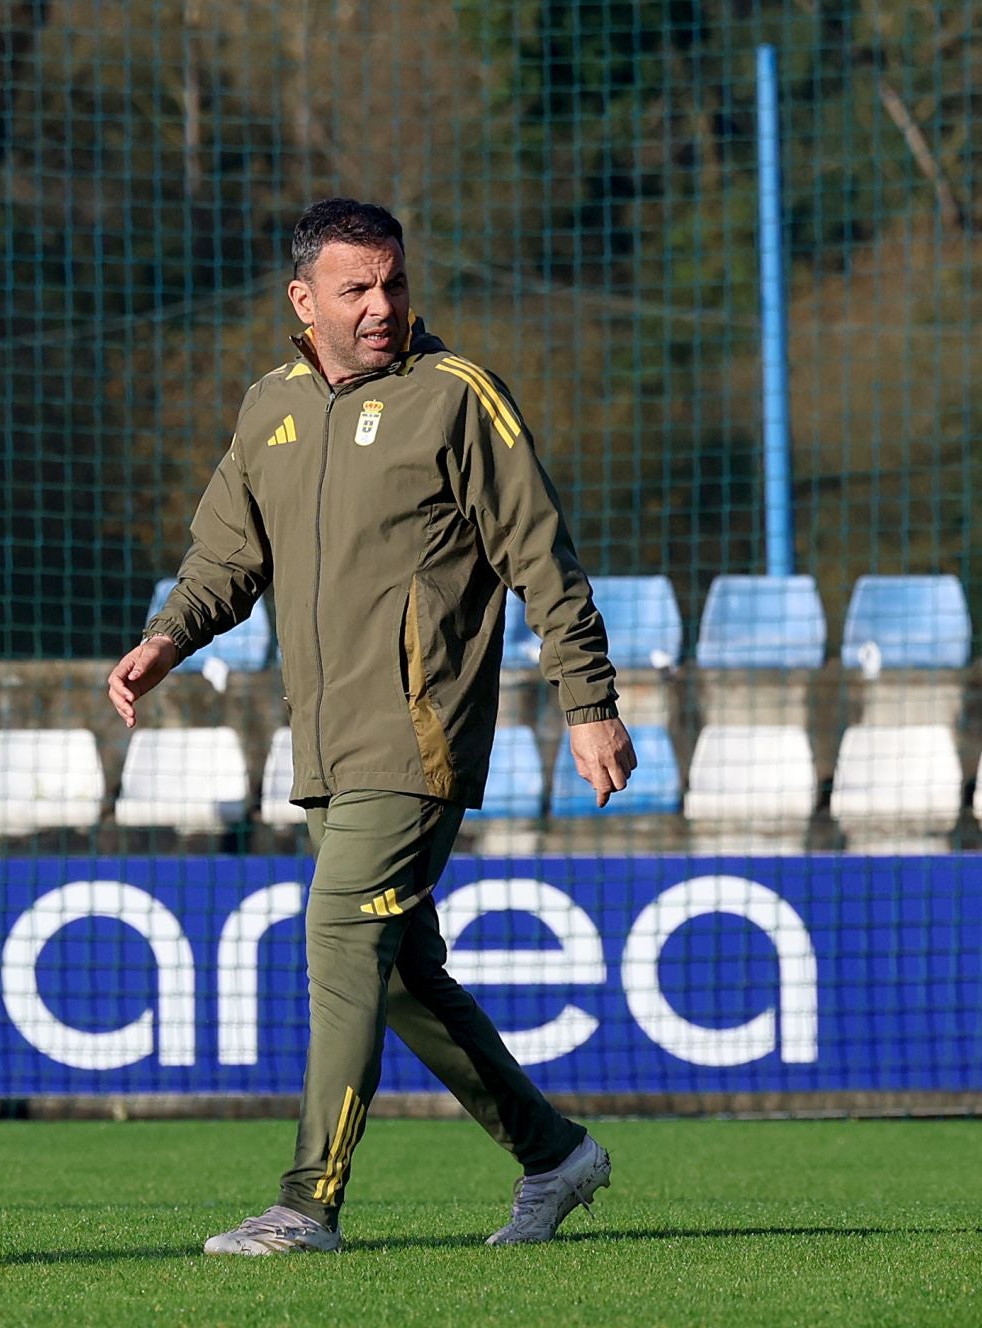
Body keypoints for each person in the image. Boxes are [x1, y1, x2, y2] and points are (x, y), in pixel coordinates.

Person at [106, 197, 637, 1255]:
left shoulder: (456, 396)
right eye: (357, 288)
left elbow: (542, 554)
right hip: (324, 744)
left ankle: (308, 1202)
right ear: (305, 299)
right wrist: (167, 637)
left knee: (340, 934)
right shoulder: (270, 407)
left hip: (419, 734)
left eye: (393, 282)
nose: (382, 304)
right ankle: (554, 1152)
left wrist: (589, 701)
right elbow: (226, 557)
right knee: (399, 975)